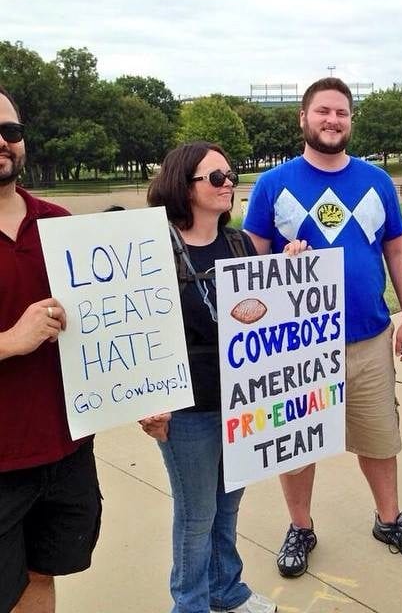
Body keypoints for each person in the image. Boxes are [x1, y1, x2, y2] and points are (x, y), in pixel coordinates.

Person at [243, 77, 402, 577]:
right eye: (323, 111)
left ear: (351, 121)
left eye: (342, 113)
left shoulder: (376, 181)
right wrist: (279, 267)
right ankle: (300, 527)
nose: (333, 120)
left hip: (369, 336)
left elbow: (397, 249)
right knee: (298, 441)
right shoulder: (273, 184)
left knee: (379, 437)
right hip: (298, 345)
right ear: (303, 119)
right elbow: (250, 261)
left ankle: (389, 520)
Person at [142, 141, 276, 613]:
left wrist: (294, 269)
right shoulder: (152, 247)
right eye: (215, 177)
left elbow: (265, 318)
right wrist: (146, 403)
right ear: (185, 185)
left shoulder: (238, 243)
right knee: (196, 516)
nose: (228, 184)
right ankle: (191, 604)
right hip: (187, 409)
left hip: (241, 401)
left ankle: (226, 590)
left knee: (227, 507)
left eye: (231, 175)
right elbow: (137, 331)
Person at [0, 84, 102, 613]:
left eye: (11, 131)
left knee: (43, 575)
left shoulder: (60, 225)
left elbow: (108, 332)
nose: (2, 141)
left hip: (65, 451)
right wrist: (9, 342)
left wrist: (144, 396)